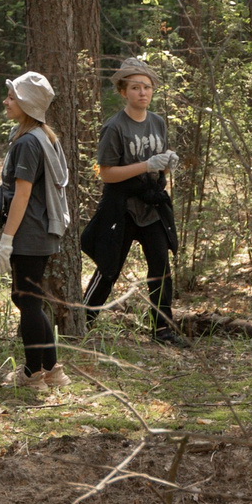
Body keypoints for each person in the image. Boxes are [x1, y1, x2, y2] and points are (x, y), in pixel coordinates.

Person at [82, 57, 191, 348]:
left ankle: (162, 330)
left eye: (147, 87)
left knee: (161, 268)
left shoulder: (157, 122)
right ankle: (82, 322)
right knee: (109, 268)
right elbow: (106, 173)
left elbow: (158, 167)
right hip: (122, 207)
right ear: (123, 91)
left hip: (152, 206)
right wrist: (146, 165)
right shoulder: (114, 127)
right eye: (135, 87)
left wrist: (165, 165)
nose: (142, 92)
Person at [0, 71, 73, 389]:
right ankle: (52, 371)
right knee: (29, 300)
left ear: (26, 104)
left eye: (12, 97)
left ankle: (32, 374)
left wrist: (6, 240)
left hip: (29, 232)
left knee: (27, 301)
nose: (6, 101)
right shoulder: (42, 136)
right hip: (40, 231)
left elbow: (22, 194)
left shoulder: (28, 142)